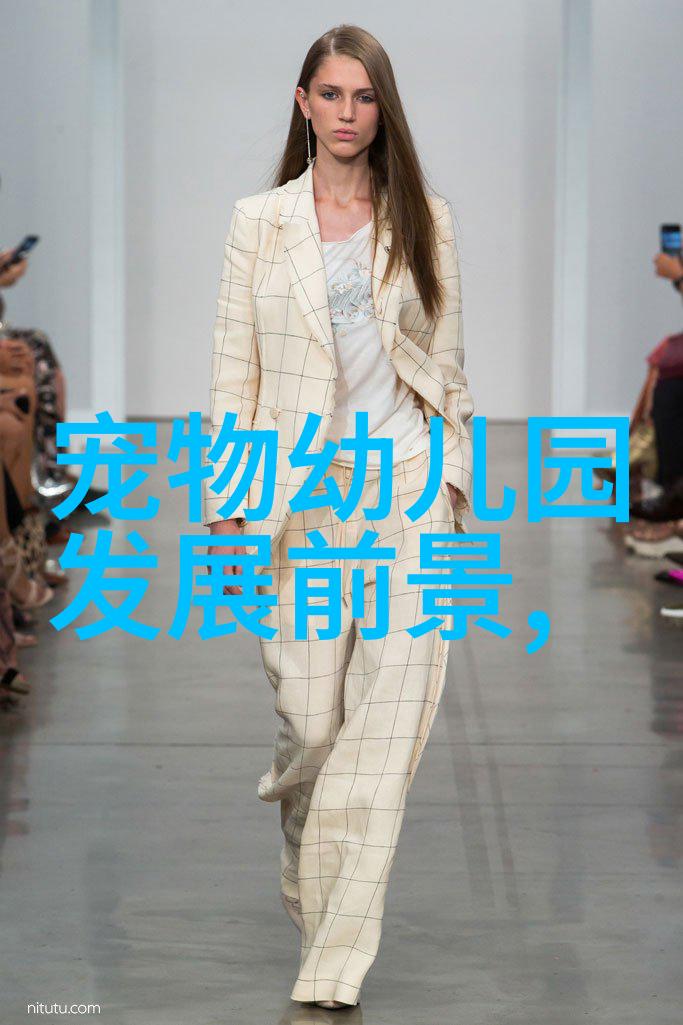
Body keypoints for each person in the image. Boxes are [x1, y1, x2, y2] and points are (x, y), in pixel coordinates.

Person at [203, 24, 474, 1009]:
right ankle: (307, 855)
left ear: (380, 107)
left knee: (382, 740)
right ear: (302, 102)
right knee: (314, 726)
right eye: (330, 94)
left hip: (404, 496)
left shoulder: (424, 219)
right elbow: (233, 372)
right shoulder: (259, 222)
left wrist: (448, 482)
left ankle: (332, 961)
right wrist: (227, 507)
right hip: (298, 503)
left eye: (363, 96)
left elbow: (448, 365)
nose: (347, 113)